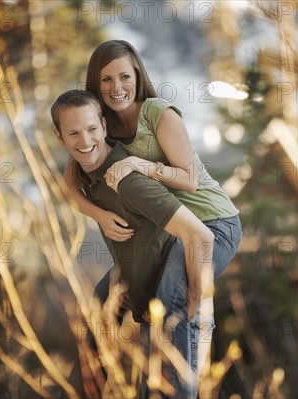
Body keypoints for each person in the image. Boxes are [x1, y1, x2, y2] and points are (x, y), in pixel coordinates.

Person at [64, 39, 242, 360]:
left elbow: (188, 180)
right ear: (95, 83)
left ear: (137, 77)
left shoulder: (158, 114)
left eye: (124, 77)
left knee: (174, 310)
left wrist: (139, 163)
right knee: (101, 306)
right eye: (106, 79)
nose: (117, 87)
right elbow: (69, 186)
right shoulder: (100, 125)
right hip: (173, 229)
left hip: (213, 224)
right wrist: (99, 216)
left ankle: (185, 373)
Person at [52, 89, 215, 398]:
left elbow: (201, 236)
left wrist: (196, 301)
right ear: (60, 137)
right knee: (93, 344)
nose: (84, 140)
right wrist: (99, 214)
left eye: (91, 129)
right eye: (73, 133)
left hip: (171, 301)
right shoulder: (85, 172)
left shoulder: (129, 182)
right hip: (137, 286)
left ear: (103, 125)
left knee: (162, 389)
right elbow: (66, 189)